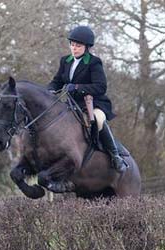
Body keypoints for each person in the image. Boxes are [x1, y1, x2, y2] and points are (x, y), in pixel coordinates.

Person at [48, 25, 128, 173]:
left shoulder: (94, 62)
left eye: (78, 46)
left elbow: (100, 87)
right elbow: (57, 81)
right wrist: (50, 90)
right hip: (72, 104)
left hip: (94, 103)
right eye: (72, 45)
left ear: (86, 47)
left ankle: (115, 156)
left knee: (98, 120)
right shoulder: (65, 61)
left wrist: (77, 87)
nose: (74, 48)